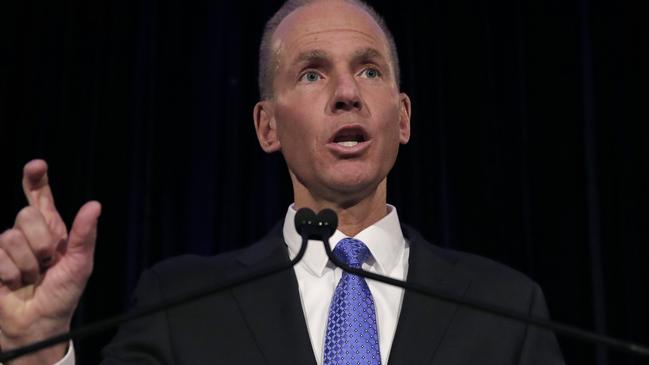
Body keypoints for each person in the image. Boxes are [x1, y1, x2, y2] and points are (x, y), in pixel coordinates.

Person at [0, 0, 565, 364]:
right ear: (267, 126)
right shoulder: (182, 303)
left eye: (369, 70)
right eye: (312, 73)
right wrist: (35, 351)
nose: (347, 93)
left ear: (403, 117)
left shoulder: (506, 307)